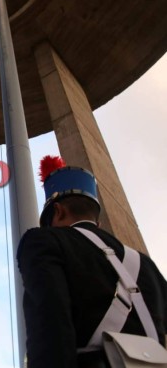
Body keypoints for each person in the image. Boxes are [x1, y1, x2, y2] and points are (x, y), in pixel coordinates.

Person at [17, 156, 167, 368]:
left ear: (58, 212)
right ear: (98, 221)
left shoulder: (43, 241)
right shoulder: (146, 264)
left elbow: (50, 326)